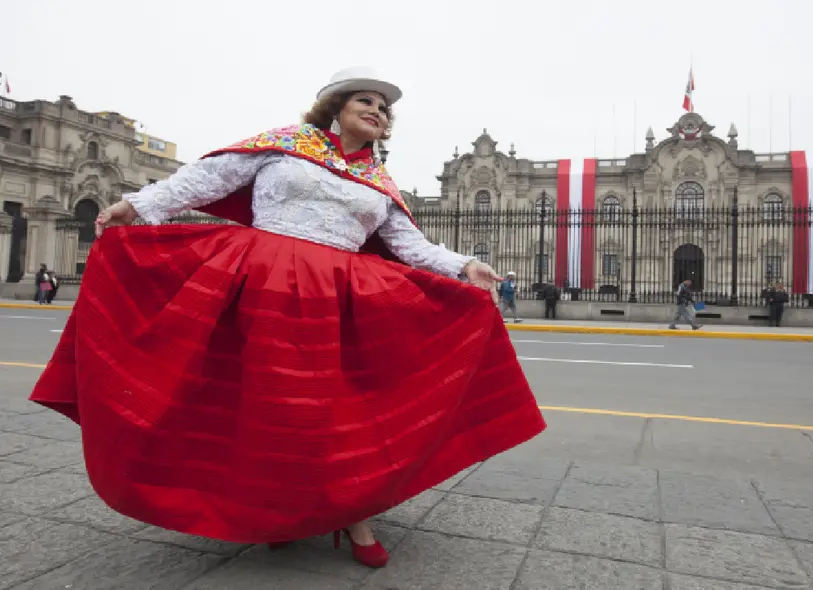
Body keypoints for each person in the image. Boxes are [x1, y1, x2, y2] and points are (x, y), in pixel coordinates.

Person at [28, 67, 546, 569]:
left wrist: (464, 265)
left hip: (337, 301)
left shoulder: (378, 179)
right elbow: (207, 179)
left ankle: (354, 515)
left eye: (385, 109)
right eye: (366, 100)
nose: (378, 112)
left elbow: (409, 245)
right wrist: (137, 205)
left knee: (329, 414)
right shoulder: (285, 143)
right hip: (260, 284)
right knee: (259, 407)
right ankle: (274, 512)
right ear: (335, 108)